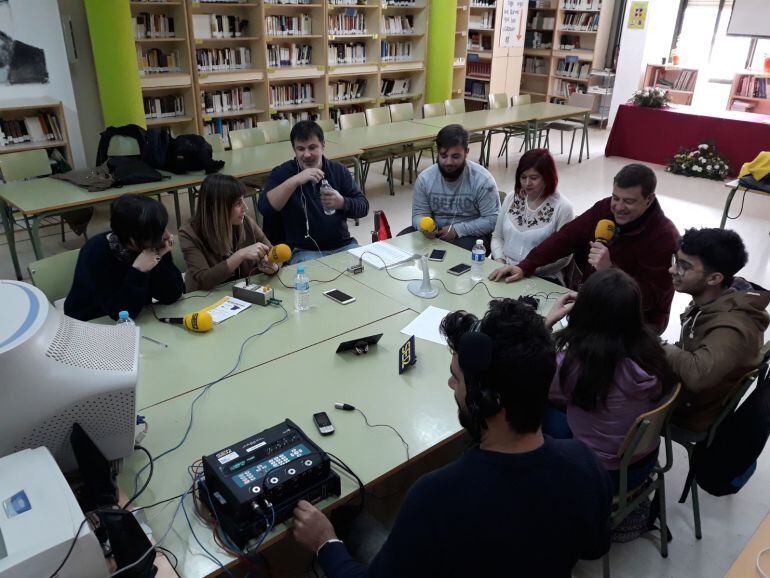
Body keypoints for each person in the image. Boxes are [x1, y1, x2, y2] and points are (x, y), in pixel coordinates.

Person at [293, 299, 612, 578]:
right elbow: (594, 548)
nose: (450, 384)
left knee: (351, 524)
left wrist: (325, 543)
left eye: (457, 378)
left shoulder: (435, 497)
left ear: (485, 401)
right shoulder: (585, 463)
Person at [489, 163, 678, 333]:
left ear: (649, 199)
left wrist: (610, 271)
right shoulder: (605, 209)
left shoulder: (664, 237)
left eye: (628, 201)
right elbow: (566, 237)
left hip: (636, 319)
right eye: (615, 197)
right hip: (593, 300)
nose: (618, 207)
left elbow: (649, 299)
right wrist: (525, 265)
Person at [543, 269, 675, 491]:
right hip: (642, 462)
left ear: (583, 312)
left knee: (532, 405)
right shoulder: (653, 351)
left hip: (599, 476)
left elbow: (540, 382)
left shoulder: (576, 366)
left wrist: (546, 324)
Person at [665, 228, 769, 433]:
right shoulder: (712, 301)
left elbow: (698, 376)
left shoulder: (733, 328)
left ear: (714, 279)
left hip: (689, 410)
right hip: (687, 393)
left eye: (683, 266)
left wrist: (658, 346)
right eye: (676, 260)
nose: (672, 270)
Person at [258, 120, 368, 264]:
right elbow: (264, 208)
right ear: (294, 149)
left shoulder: (338, 170)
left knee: (363, 274)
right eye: (301, 149)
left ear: (323, 145)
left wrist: (342, 202)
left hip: (343, 245)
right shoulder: (283, 172)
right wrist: (295, 180)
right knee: (314, 281)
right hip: (304, 251)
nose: (307, 154)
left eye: (312, 147)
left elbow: (363, 207)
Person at [64, 195, 184, 321]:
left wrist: (160, 258)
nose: (166, 235)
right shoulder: (95, 252)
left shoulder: (153, 244)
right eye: (157, 232)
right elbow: (121, 314)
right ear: (132, 239)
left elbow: (172, 295)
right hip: (90, 322)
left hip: (136, 318)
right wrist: (138, 271)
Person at [410, 124, 500, 251]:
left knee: (452, 254)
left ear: (466, 152)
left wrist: (457, 230)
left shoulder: (483, 180)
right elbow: (418, 214)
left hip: (470, 235)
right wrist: (423, 227)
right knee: (402, 240)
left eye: (455, 156)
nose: (449, 162)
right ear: (437, 152)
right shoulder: (425, 179)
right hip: (435, 233)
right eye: (443, 156)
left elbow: (493, 220)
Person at [179, 174, 276, 292]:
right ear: (217, 208)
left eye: (243, 201)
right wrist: (240, 255)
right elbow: (204, 280)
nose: (245, 208)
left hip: (240, 296)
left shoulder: (246, 223)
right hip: (205, 300)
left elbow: (273, 253)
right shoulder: (189, 234)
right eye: (238, 204)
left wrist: (272, 267)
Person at [490, 149, 574, 284]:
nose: (527, 183)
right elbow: (497, 236)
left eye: (533, 178)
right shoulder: (512, 198)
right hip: (504, 269)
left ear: (548, 177)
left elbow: (564, 257)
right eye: (523, 177)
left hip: (542, 277)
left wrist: (525, 269)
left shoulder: (563, 207)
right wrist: (500, 261)